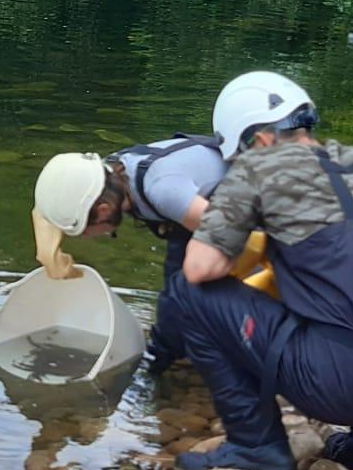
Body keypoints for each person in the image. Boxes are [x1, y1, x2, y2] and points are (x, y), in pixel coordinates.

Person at [167, 71, 353, 470]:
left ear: (258, 140)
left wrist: (246, 244)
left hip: (339, 386)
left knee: (187, 292)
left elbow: (200, 268)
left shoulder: (258, 168)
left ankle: (257, 448)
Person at [32, 134, 271, 368]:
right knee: (176, 296)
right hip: (198, 207)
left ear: (103, 210)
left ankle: (166, 363)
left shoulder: (162, 191)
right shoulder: (106, 173)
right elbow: (50, 202)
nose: (85, 237)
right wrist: (49, 252)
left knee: (183, 298)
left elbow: (239, 236)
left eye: (84, 230)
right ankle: (179, 355)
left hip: (253, 216)